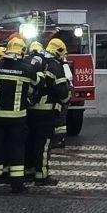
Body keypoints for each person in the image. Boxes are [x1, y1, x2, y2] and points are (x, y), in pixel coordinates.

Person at [0, 35, 34, 193]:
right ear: (22, 52)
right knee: (17, 150)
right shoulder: (28, 70)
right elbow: (35, 89)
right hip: (17, 118)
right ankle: (16, 185)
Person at [28, 38, 71, 186]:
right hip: (46, 112)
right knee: (44, 144)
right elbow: (62, 92)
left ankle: (28, 172)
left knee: (30, 142)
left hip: (30, 110)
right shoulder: (55, 66)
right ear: (59, 52)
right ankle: (42, 176)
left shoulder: (37, 62)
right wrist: (67, 100)